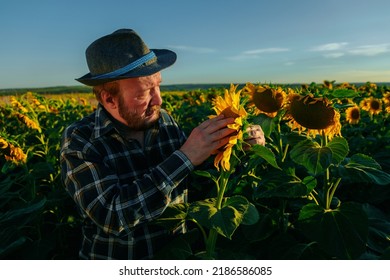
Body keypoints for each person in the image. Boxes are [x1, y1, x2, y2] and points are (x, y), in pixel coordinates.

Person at [60, 28, 265, 260]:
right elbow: (112, 215)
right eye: (144, 93)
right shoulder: (81, 140)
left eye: (158, 86)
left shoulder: (164, 121)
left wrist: (234, 147)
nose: (158, 99)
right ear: (109, 98)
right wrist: (185, 156)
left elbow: (194, 181)